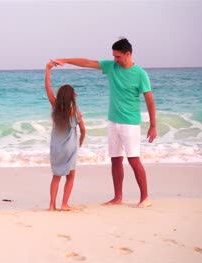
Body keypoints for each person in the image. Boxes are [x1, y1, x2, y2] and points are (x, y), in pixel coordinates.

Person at [52, 37, 156, 208]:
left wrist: (153, 125)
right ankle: (117, 197)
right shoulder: (111, 67)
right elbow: (87, 63)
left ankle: (145, 198)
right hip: (113, 122)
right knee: (115, 160)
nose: (115, 60)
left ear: (128, 54)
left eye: (118, 57)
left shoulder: (140, 74)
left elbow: (150, 100)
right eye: (113, 56)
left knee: (133, 160)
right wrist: (65, 60)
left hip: (130, 123)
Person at [45, 60, 86, 211]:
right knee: (70, 176)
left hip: (56, 148)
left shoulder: (55, 107)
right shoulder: (75, 111)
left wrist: (48, 70)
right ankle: (64, 204)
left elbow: (48, 87)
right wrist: (80, 140)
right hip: (70, 148)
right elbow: (83, 129)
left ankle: (51, 205)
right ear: (72, 96)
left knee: (56, 176)